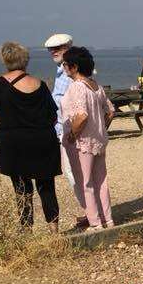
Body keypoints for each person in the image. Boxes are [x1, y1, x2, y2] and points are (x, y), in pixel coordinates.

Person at [0, 42, 61, 231]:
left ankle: (27, 229)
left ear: (5, 60)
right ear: (25, 60)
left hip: (14, 143)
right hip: (43, 141)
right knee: (46, 187)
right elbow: (53, 117)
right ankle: (55, 231)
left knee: (21, 189)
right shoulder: (41, 85)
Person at [61, 46, 115, 231]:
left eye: (65, 64)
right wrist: (100, 127)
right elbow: (110, 112)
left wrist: (71, 135)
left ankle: (95, 223)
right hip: (98, 140)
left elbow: (81, 116)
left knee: (85, 182)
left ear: (74, 67)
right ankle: (107, 219)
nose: (64, 67)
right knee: (101, 181)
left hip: (83, 142)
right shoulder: (96, 85)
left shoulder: (77, 87)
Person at [45, 32, 87, 228]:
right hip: (64, 131)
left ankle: (92, 213)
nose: (53, 52)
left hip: (71, 131)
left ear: (68, 48)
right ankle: (92, 211)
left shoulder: (70, 73)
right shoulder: (61, 71)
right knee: (77, 174)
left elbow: (78, 105)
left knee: (77, 174)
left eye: (58, 48)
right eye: (50, 49)